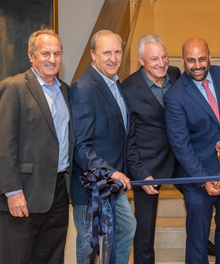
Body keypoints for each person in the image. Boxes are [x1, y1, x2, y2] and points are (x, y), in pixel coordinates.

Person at [164, 37, 220, 263]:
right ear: (183, 60)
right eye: (191, 60)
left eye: (202, 59)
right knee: (197, 241)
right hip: (197, 180)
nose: (197, 65)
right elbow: (180, 144)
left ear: (210, 57)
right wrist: (203, 179)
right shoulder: (174, 96)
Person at [0, 29, 73, 264]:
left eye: (57, 53)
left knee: (51, 257)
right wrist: (13, 192)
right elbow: (3, 145)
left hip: (58, 191)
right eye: (45, 53)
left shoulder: (65, 90)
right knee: (17, 258)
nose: (52, 59)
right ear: (31, 55)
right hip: (24, 192)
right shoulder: (13, 88)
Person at [70, 29, 136, 264]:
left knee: (126, 228)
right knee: (89, 243)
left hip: (111, 185)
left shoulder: (114, 83)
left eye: (117, 51)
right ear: (92, 54)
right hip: (90, 186)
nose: (113, 58)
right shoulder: (83, 88)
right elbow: (80, 146)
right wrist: (110, 172)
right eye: (106, 52)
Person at [121, 34, 181, 264]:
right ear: (141, 60)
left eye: (164, 56)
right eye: (154, 58)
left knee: (200, 200)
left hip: (178, 159)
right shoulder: (128, 89)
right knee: (144, 229)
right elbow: (128, 138)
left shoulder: (175, 74)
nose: (161, 63)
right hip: (147, 165)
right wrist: (140, 173)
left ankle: (201, 240)